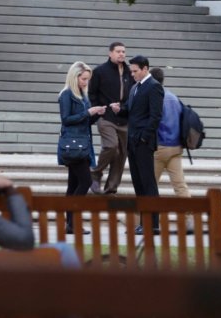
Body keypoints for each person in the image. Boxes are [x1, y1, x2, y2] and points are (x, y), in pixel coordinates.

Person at [111, 56, 163, 234]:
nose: (132, 74)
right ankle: (144, 223)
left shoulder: (154, 87)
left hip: (142, 142)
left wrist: (143, 138)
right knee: (138, 183)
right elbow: (131, 111)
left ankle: (153, 224)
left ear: (145, 69)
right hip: (132, 142)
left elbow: (155, 116)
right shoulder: (135, 87)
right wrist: (120, 109)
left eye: (135, 71)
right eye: (131, 71)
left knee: (148, 184)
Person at [58, 61, 106, 234]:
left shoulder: (82, 94)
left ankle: (71, 224)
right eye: (84, 79)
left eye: (87, 79)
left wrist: (98, 113)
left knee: (73, 184)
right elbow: (66, 119)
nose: (86, 82)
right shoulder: (67, 94)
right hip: (73, 145)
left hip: (82, 144)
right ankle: (73, 221)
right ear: (75, 76)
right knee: (85, 181)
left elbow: (85, 120)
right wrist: (88, 112)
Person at [88, 42, 133, 194]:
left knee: (121, 156)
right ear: (110, 53)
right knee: (111, 146)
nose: (122, 54)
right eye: (118, 51)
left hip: (124, 118)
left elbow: (132, 95)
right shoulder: (100, 71)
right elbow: (92, 94)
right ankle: (95, 173)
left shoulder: (129, 72)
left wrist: (124, 109)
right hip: (106, 117)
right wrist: (97, 110)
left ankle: (111, 189)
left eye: (124, 52)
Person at [149, 68, 191, 199]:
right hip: (176, 147)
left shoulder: (155, 98)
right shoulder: (173, 97)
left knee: (148, 186)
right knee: (180, 186)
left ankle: (142, 218)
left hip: (159, 147)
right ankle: (191, 216)